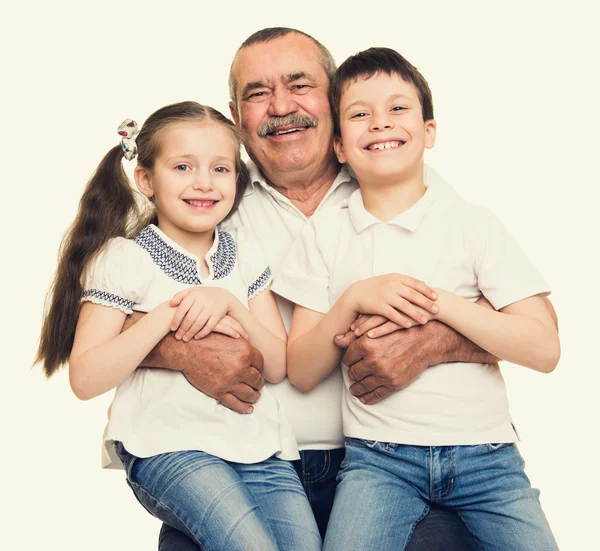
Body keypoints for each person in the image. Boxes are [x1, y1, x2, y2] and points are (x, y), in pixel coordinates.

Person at [123, 28, 557, 551]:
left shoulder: (400, 180)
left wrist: (436, 339)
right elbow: (108, 308)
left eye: (299, 84)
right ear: (236, 117)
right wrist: (179, 350)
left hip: (388, 460)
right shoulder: (204, 190)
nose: (281, 106)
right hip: (238, 462)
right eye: (258, 93)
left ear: (331, 99)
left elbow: (518, 318)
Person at [275, 47, 560, 551]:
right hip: (379, 463)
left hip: (487, 457)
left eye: (398, 109)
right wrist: (354, 298)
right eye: (360, 115)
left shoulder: (473, 225)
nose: (380, 124)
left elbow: (543, 348)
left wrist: (440, 305)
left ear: (429, 131)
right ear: (339, 146)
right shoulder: (324, 235)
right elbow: (300, 367)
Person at [36, 101, 322, 551]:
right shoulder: (125, 259)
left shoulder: (245, 254)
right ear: (146, 179)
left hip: (260, 448)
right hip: (167, 446)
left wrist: (230, 303)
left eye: (220, 169)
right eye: (183, 166)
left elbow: (278, 365)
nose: (203, 182)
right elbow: (85, 378)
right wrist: (167, 316)